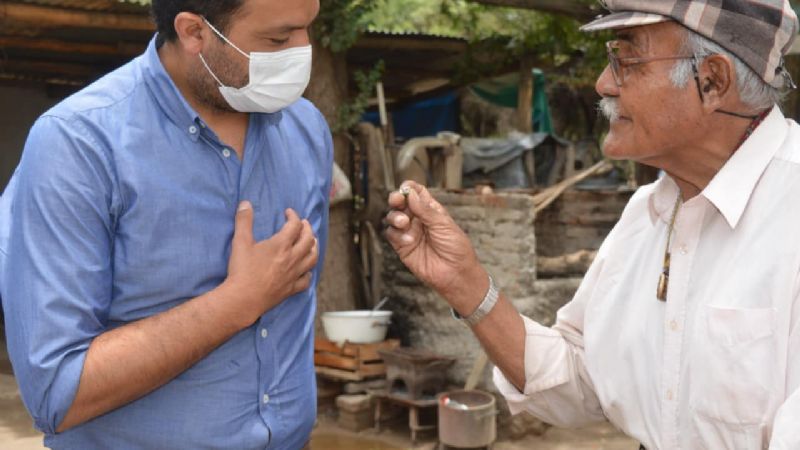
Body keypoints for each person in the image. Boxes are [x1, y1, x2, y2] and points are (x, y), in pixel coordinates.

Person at [385, 1, 800, 448]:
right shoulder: (648, 212)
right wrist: (465, 283)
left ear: (713, 80)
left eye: (627, 61)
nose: (603, 84)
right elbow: (580, 378)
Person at [0, 0, 331, 448]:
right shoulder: (78, 144)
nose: (302, 50)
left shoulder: (305, 129)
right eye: (277, 39)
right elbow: (56, 392)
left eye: (308, 28)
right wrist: (236, 302)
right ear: (194, 31)